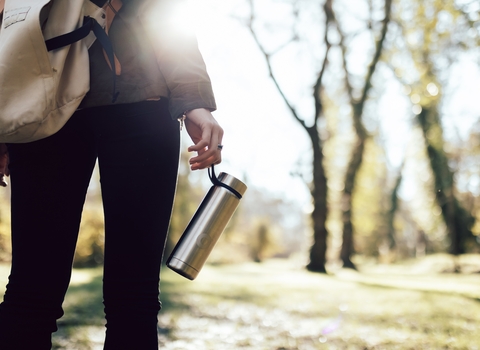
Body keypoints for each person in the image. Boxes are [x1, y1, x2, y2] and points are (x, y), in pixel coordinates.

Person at [0, 0, 223, 349]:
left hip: (138, 99)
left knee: (131, 295)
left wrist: (194, 98)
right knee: (33, 291)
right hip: (44, 103)